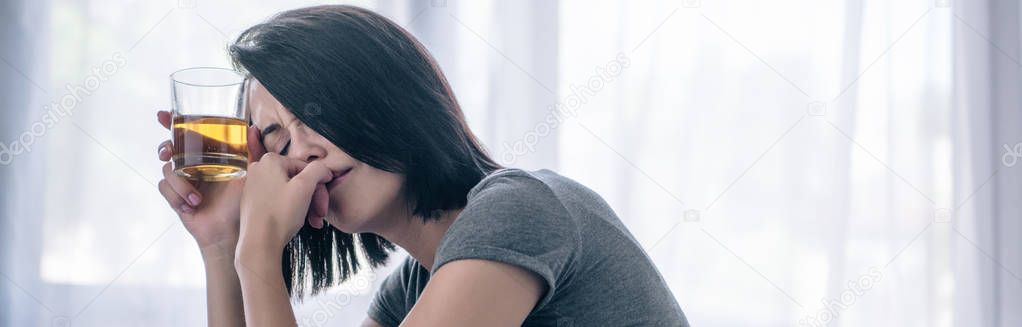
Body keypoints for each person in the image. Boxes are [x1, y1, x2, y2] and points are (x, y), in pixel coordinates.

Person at [156, 5, 688, 327]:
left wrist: (259, 254)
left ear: (391, 100)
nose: (302, 151)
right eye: (276, 137)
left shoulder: (521, 210)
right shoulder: (413, 288)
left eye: (315, 115)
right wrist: (224, 243)